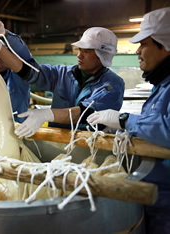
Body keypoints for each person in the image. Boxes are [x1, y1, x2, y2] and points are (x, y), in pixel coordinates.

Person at [87, 7, 170, 233]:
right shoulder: (161, 85)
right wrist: (120, 130)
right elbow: (156, 126)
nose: (138, 51)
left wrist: (124, 120)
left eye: (144, 44)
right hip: (153, 199)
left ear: (165, 45)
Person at [0, 21, 125, 138]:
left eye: (86, 51)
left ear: (102, 56)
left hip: (91, 145)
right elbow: (30, 72)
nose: (79, 55)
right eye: (80, 50)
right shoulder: (63, 73)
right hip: (58, 140)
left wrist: (47, 114)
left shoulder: (113, 85)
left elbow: (85, 114)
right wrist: (0, 46)